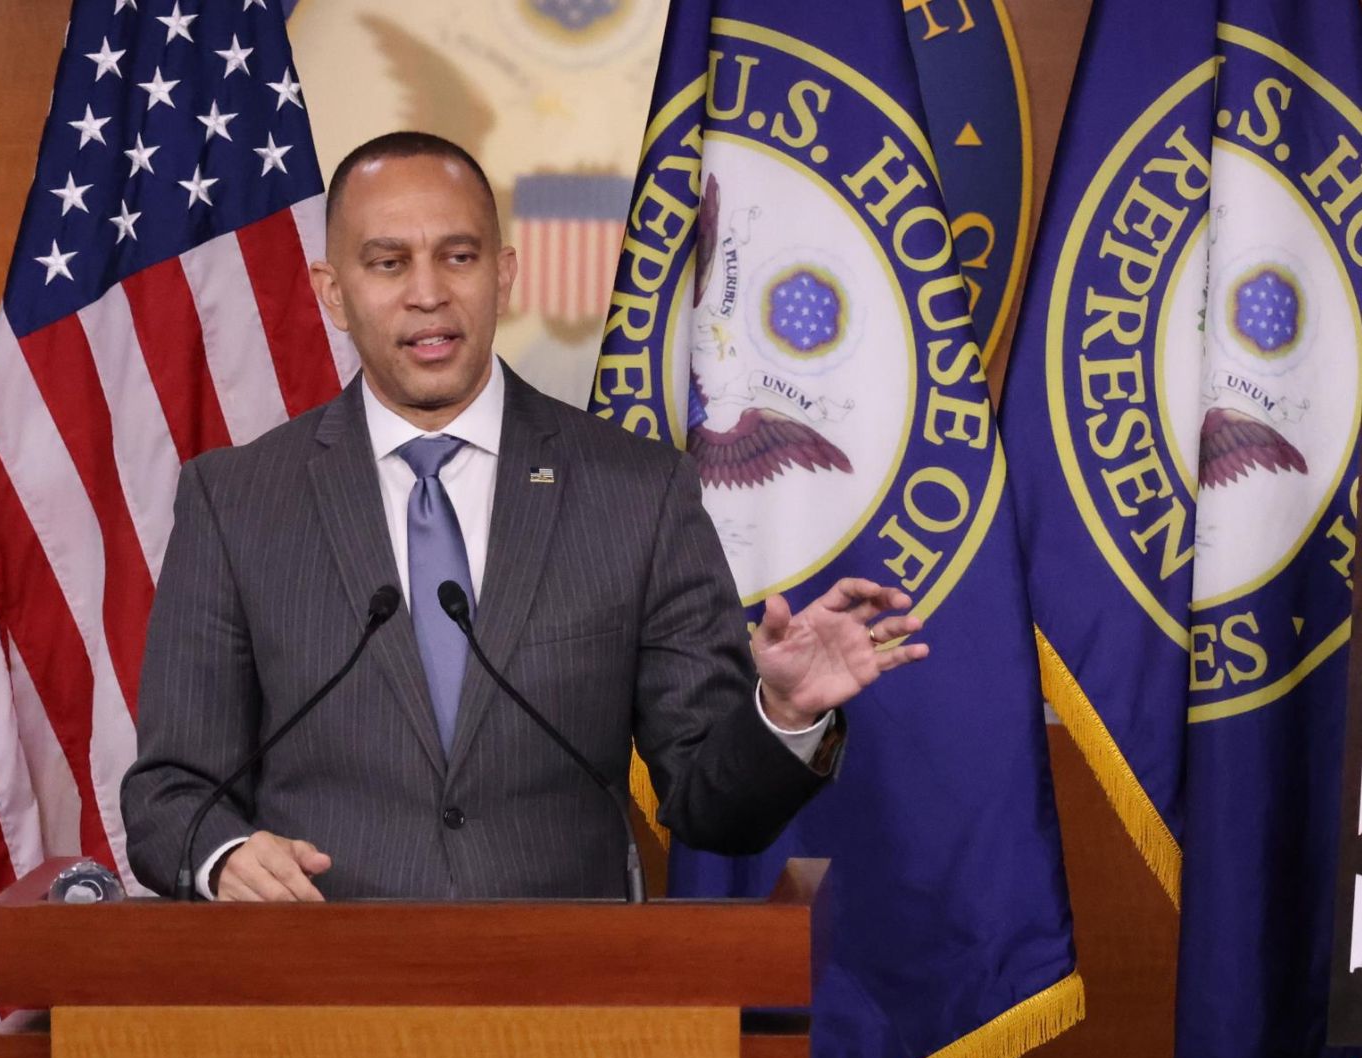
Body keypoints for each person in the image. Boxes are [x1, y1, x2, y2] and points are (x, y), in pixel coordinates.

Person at [119, 132, 928, 902]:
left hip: (571, 1005)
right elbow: (170, 793)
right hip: (322, 997)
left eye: (458, 257)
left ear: (503, 275)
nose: (428, 292)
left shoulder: (637, 492)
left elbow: (714, 808)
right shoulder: (236, 501)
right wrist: (224, 857)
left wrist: (783, 715)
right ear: (333, 291)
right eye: (388, 262)